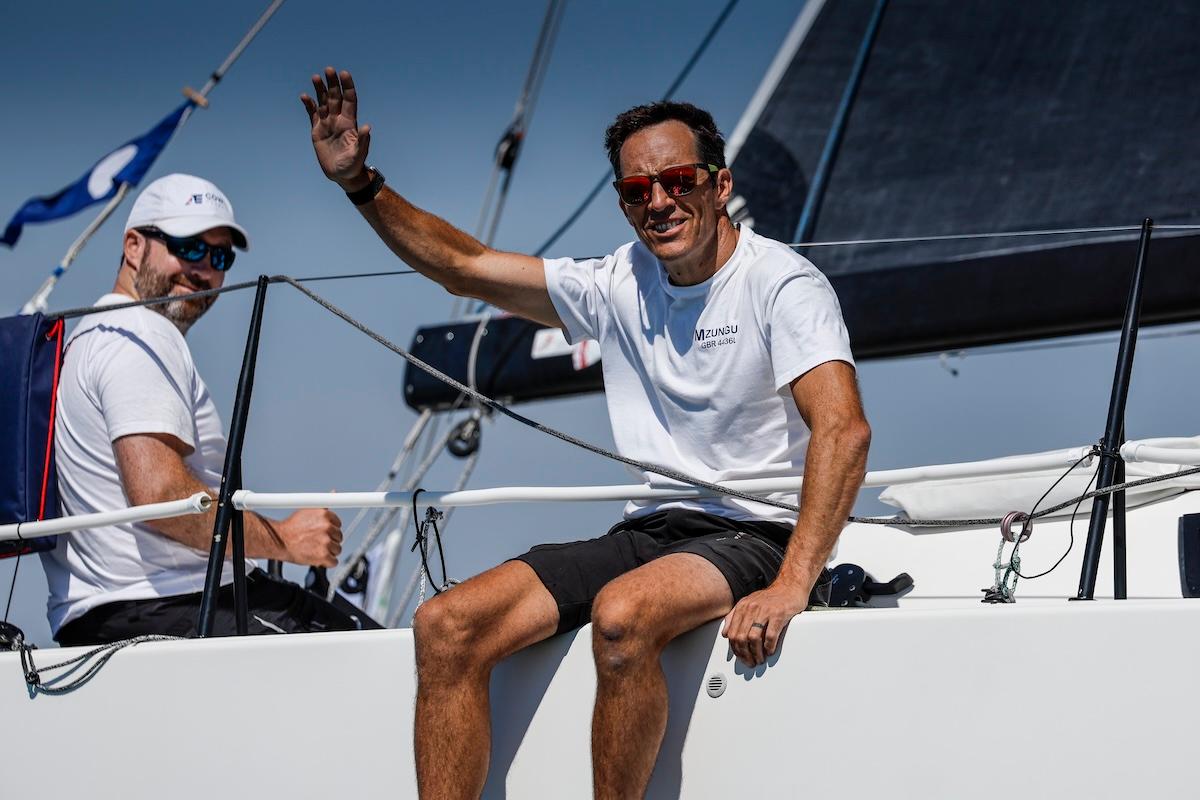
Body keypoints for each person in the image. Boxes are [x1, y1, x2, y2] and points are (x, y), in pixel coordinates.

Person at [303, 68, 870, 799]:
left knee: (621, 616)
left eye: (678, 181)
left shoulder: (782, 283)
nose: (658, 202)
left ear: (720, 185)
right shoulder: (618, 281)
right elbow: (464, 268)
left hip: (755, 531)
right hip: (651, 532)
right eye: (637, 191)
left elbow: (843, 431)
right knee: (446, 625)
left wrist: (792, 585)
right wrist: (360, 184)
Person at [44, 173, 379, 646]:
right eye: (188, 247)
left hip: (100, 618)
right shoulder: (141, 331)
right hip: (178, 605)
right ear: (134, 246)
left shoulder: (83, 339)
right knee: (400, 659)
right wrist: (286, 539)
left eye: (219, 257)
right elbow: (161, 496)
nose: (203, 270)